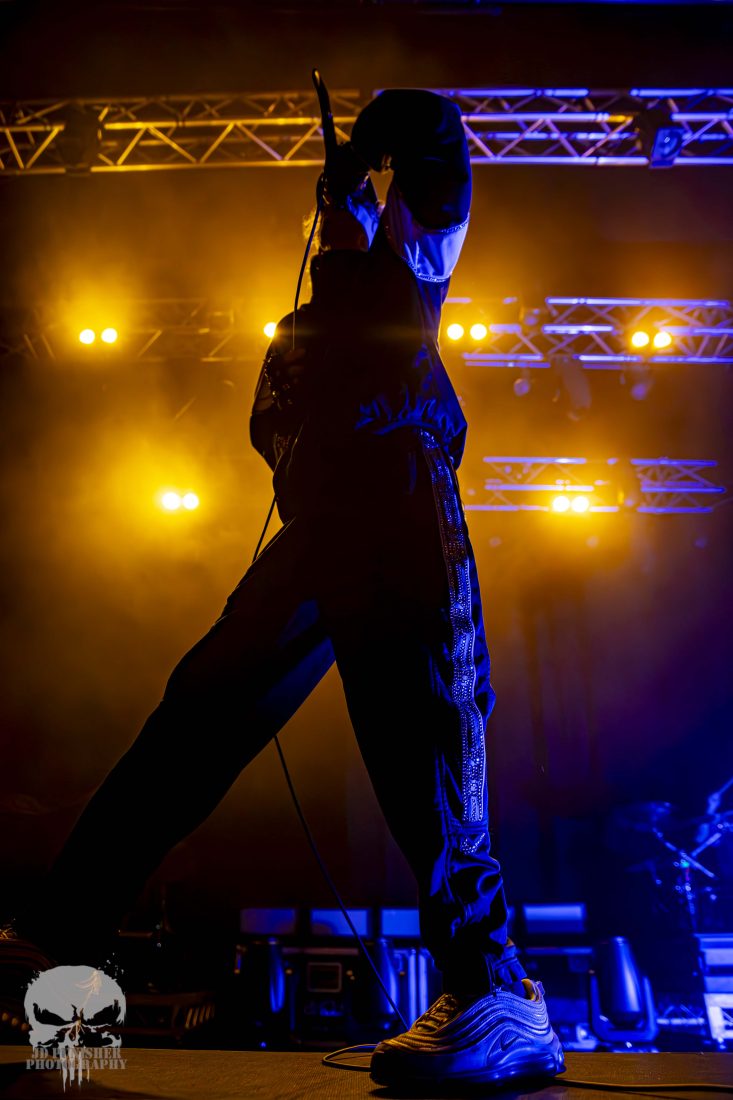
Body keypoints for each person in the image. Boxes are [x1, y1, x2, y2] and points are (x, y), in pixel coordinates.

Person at [4, 88, 564, 1088]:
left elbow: (440, 155)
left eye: (352, 206)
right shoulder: (294, 335)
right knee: (198, 709)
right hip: (318, 536)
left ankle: (494, 991)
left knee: (430, 746)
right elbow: (276, 441)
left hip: (402, 510)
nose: (335, 218)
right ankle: (60, 929)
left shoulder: (405, 275)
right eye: (330, 210)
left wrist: (376, 139)